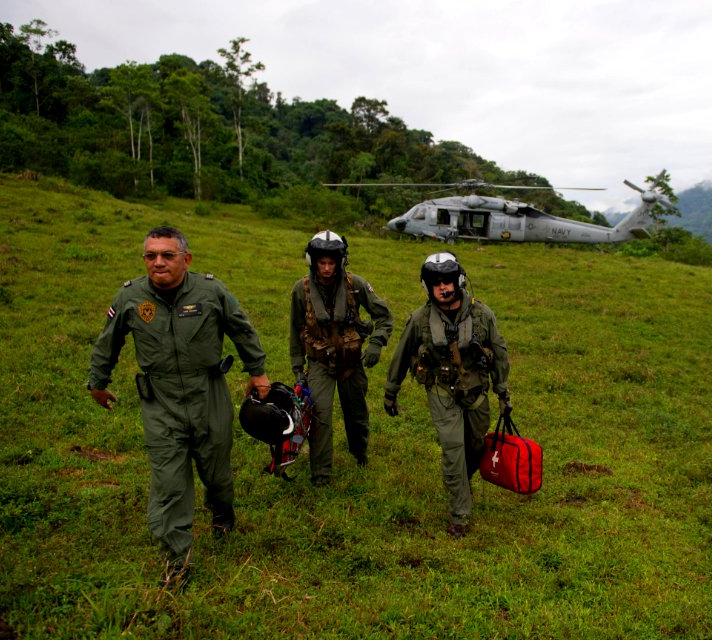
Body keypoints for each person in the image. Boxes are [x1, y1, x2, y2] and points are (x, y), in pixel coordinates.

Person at [87, 226, 271, 588]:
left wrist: (258, 372)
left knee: (217, 471)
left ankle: (221, 509)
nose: (158, 263)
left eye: (167, 255)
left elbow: (242, 329)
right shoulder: (130, 297)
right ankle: (177, 560)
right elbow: (107, 341)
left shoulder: (210, 291)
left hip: (209, 392)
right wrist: (98, 381)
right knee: (170, 481)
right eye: (151, 255)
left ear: (186, 259)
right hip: (161, 400)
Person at [383, 252, 511, 538]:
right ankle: (459, 515)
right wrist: (391, 391)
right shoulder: (420, 319)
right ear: (428, 287)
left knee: (477, 446)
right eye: (436, 283)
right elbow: (401, 355)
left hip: (476, 390)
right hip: (442, 391)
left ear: (459, 280)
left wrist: (503, 393)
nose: (443, 288)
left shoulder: (483, 315)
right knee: (453, 448)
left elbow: (500, 355)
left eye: (448, 281)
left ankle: (459, 484)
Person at [289, 230, 393, 486]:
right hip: (319, 362)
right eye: (321, 263)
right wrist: (297, 367)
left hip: (351, 362)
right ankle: (321, 475)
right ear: (312, 261)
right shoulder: (300, 289)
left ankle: (360, 454)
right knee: (320, 416)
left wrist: (376, 344)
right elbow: (295, 329)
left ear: (340, 261)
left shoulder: (355, 285)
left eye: (331, 263)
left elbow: (384, 316)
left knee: (356, 412)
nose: (326, 269)